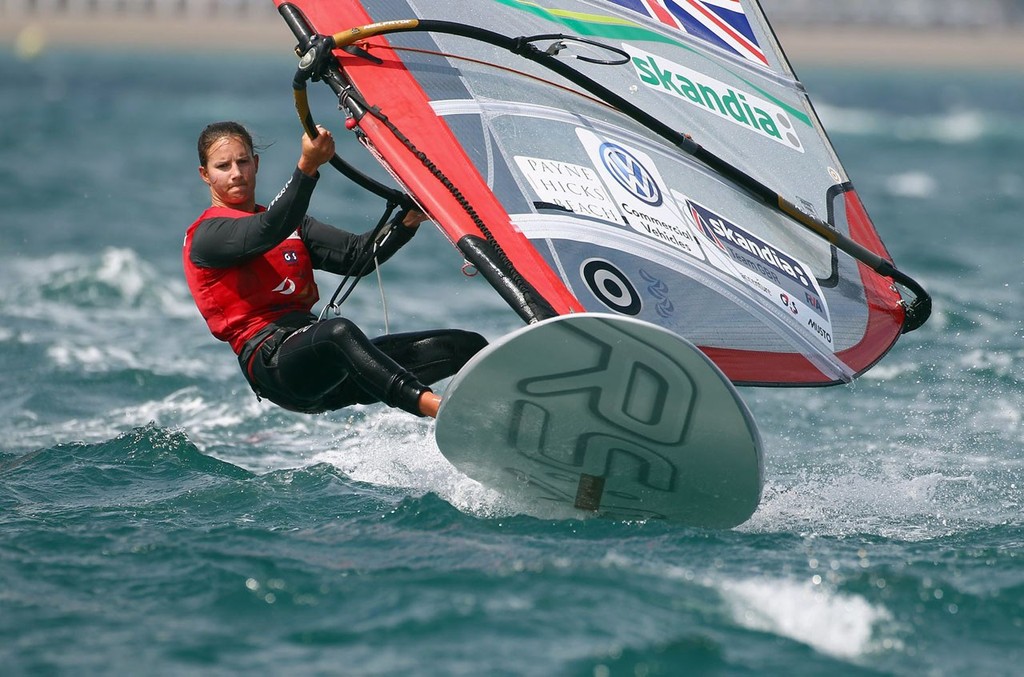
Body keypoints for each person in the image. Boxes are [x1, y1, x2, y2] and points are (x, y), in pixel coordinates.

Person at [183, 121, 487, 418]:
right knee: (336, 332)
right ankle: (436, 408)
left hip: (326, 365)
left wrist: (405, 222)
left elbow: (357, 257)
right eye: (223, 166)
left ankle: (506, 411)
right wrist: (307, 167)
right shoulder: (208, 235)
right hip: (275, 367)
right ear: (205, 175)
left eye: (243, 161)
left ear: (256, 163)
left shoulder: (293, 226)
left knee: (466, 347)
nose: (236, 173)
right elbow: (267, 229)